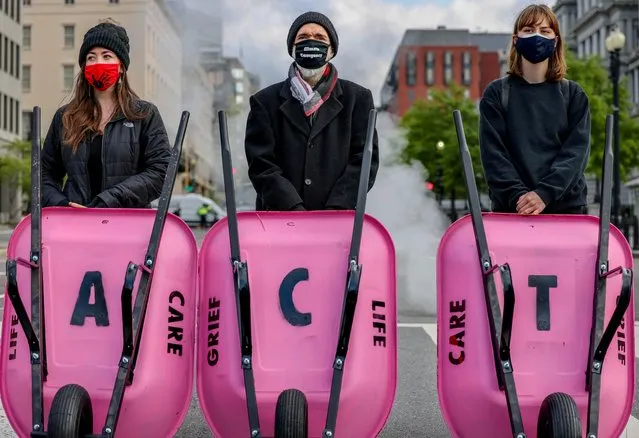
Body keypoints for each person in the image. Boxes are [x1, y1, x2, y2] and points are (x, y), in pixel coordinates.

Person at [244, 11, 379, 211]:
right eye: (303, 37)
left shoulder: (357, 99)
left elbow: (364, 162)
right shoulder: (264, 102)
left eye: (320, 38)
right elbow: (261, 165)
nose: (311, 42)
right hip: (280, 221)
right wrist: (293, 208)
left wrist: (335, 208)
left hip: (338, 222)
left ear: (331, 49)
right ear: (292, 48)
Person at [41, 19, 172, 209]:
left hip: (127, 226)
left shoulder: (144, 115)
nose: (98, 62)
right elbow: (44, 173)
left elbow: (161, 171)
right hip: (75, 226)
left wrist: (110, 199)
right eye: (91, 57)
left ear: (121, 66)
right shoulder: (66, 117)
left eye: (106, 56)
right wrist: (62, 205)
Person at [479, 4, 591, 215]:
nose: (536, 36)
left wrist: (544, 194)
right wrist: (519, 198)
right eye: (528, 30)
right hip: (512, 212)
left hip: (566, 212)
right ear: (515, 39)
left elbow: (576, 155)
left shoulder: (573, 95)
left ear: (555, 40)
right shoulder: (496, 94)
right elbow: (493, 156)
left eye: (545, 31)